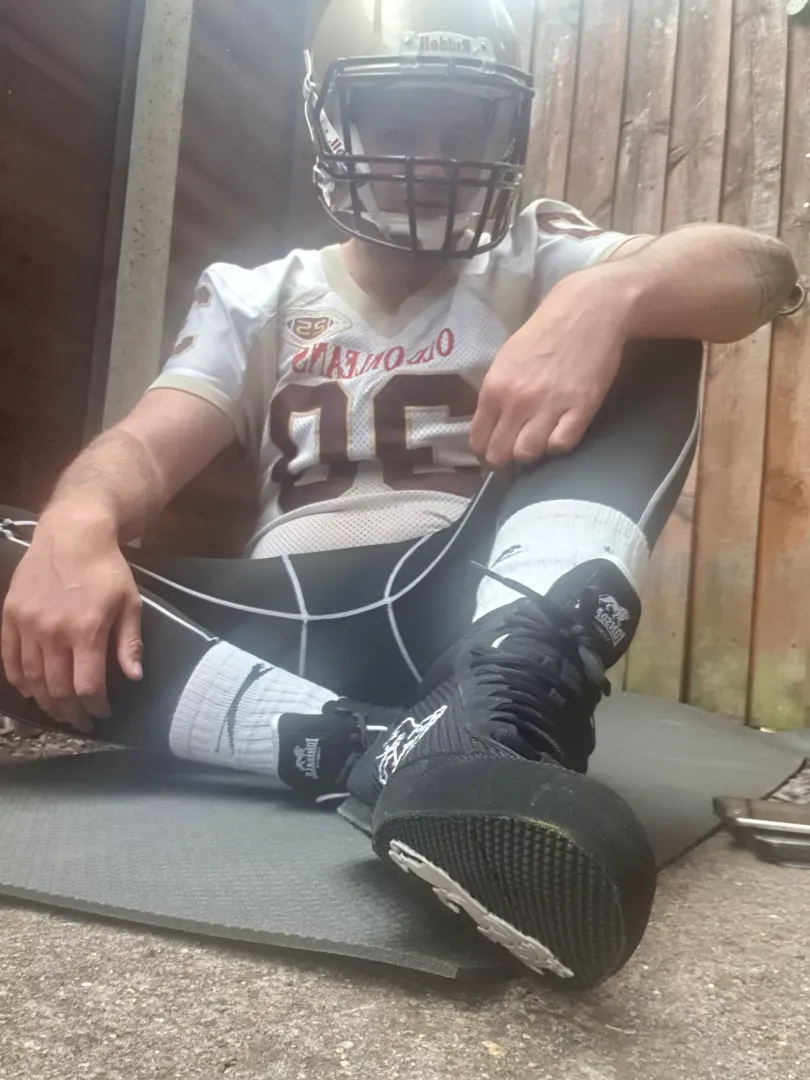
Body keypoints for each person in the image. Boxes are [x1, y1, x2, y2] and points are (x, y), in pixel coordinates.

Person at [0, 0, 797, 987]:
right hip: (286, 635)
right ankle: (382, 752)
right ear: (332, 124)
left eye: (464, 126)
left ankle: (496, 712)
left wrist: (606, 294)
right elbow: (141, 450)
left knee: (665, 310)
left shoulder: (537, 256)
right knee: (23, 564)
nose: (434, 157)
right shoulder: (258, 295)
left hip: (484, 618)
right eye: (399, 122)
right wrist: (78, 521)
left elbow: (762, 269)